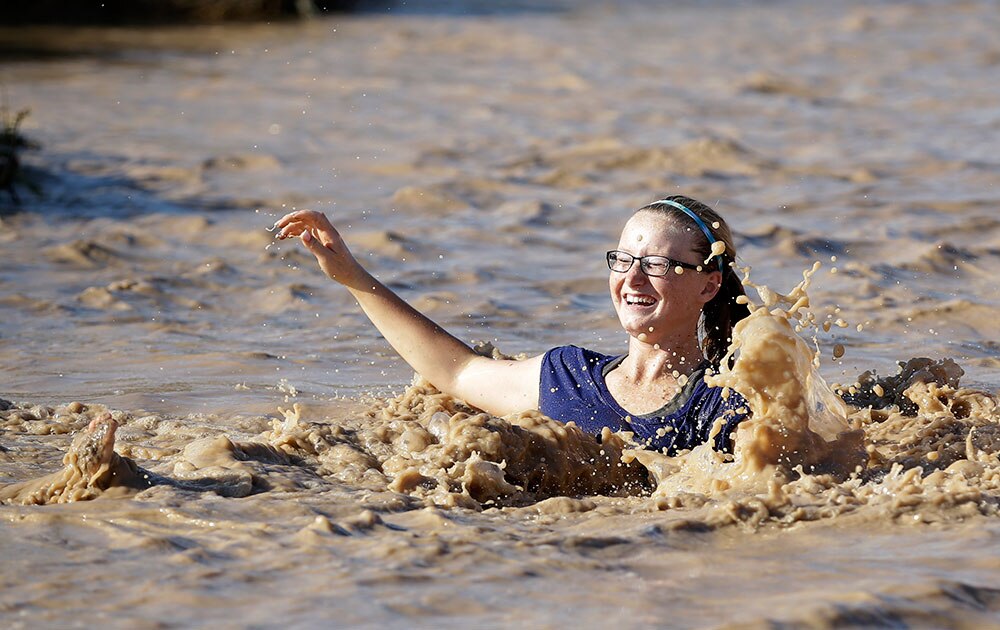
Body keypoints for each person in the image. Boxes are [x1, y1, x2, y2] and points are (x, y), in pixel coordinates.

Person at [275, 195, 751, 454]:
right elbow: (457, 371)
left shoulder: (729, 402)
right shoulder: (567, 378)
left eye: (657, 265)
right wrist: (352, 277)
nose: (631, 278)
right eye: (622, 259)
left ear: (708, 286)